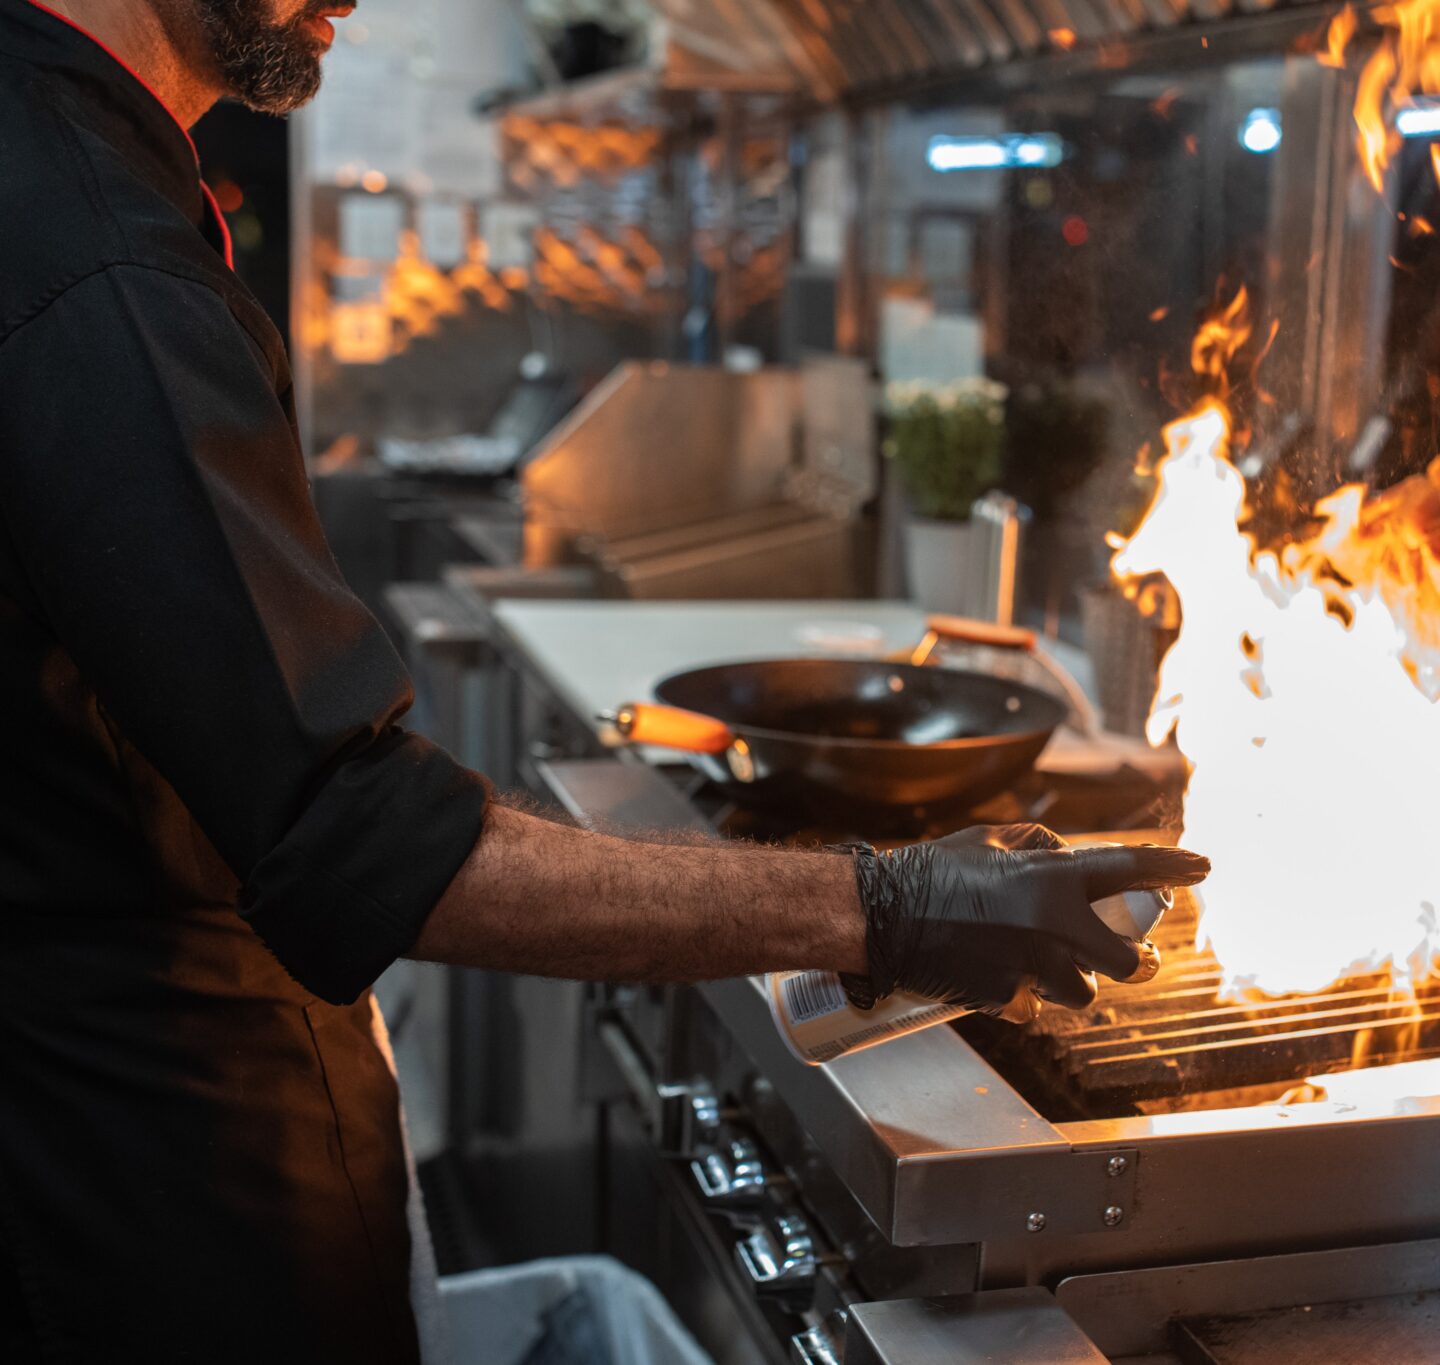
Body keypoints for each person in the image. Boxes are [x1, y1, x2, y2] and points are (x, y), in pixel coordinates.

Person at [0, 1, 1210, 1359]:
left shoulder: (60, 165)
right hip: (153, 1192)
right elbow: (361, 839)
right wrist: (892, 902)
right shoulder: (98, 257)